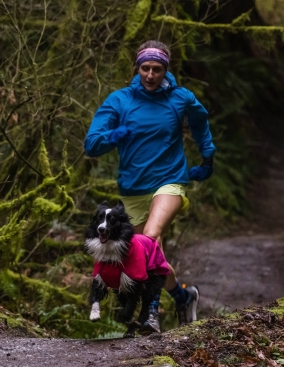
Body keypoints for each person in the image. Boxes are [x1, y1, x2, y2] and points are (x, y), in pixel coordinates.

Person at [84, 40, 216, 333]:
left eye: (157, 69)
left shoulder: (180, 98)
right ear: (137, 68)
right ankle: (184, 297)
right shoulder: (119, 101)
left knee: (150, 238)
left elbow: (200, 121)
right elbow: (91, 145)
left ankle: (151, 315)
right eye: (145, 68)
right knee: (149, 260)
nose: (151, 75)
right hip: (133, 189)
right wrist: (116, 134)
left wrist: (207, 156)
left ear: (166, 70)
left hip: (170, 181)